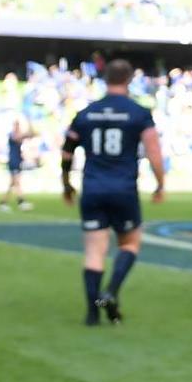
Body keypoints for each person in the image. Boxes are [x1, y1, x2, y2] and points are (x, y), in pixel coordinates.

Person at [62, 60, 165, 326]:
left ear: (104, 78)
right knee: (129, 244)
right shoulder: (139, 113)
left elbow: (66, 152)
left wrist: (66, 183)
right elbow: (153, 150)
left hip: (93, 187)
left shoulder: (86, 113)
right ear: (130, 79)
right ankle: (110, 291)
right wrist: (160, 182)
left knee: (94, 252)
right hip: (123, 189)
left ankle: (93, 312)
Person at [0, 115, 32, 211]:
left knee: (12, 183)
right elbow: (20, 137)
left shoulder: (19, 135)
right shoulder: (11, 135)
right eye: (16, 125)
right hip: (13, 161)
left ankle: (3, 203)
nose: (17, 127)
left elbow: (31, 134)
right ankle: (21, 202)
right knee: (16, 182)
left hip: (18, 161)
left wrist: (30, 123)